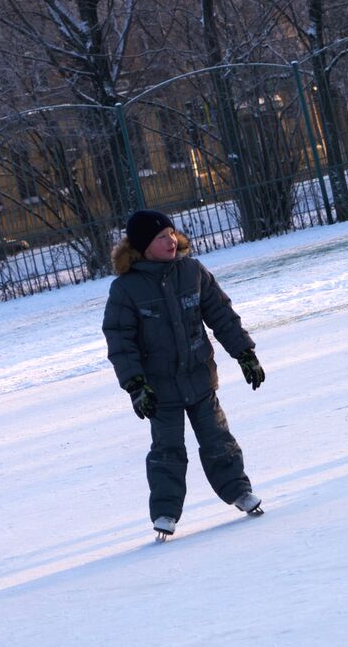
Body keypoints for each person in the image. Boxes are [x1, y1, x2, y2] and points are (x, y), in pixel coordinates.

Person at [103, 209, 267, 538]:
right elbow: (120, 341)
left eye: (172, 234)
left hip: (200, 378)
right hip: (160, 391)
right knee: (167, 451)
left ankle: (239, 491)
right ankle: (165, 512)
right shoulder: (126, 289)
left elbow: (221, 315)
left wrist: (245, 354)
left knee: (219, 439)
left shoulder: (192, 271)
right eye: (161, 237)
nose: (171, 241)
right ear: (143, 246)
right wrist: (136, 385)